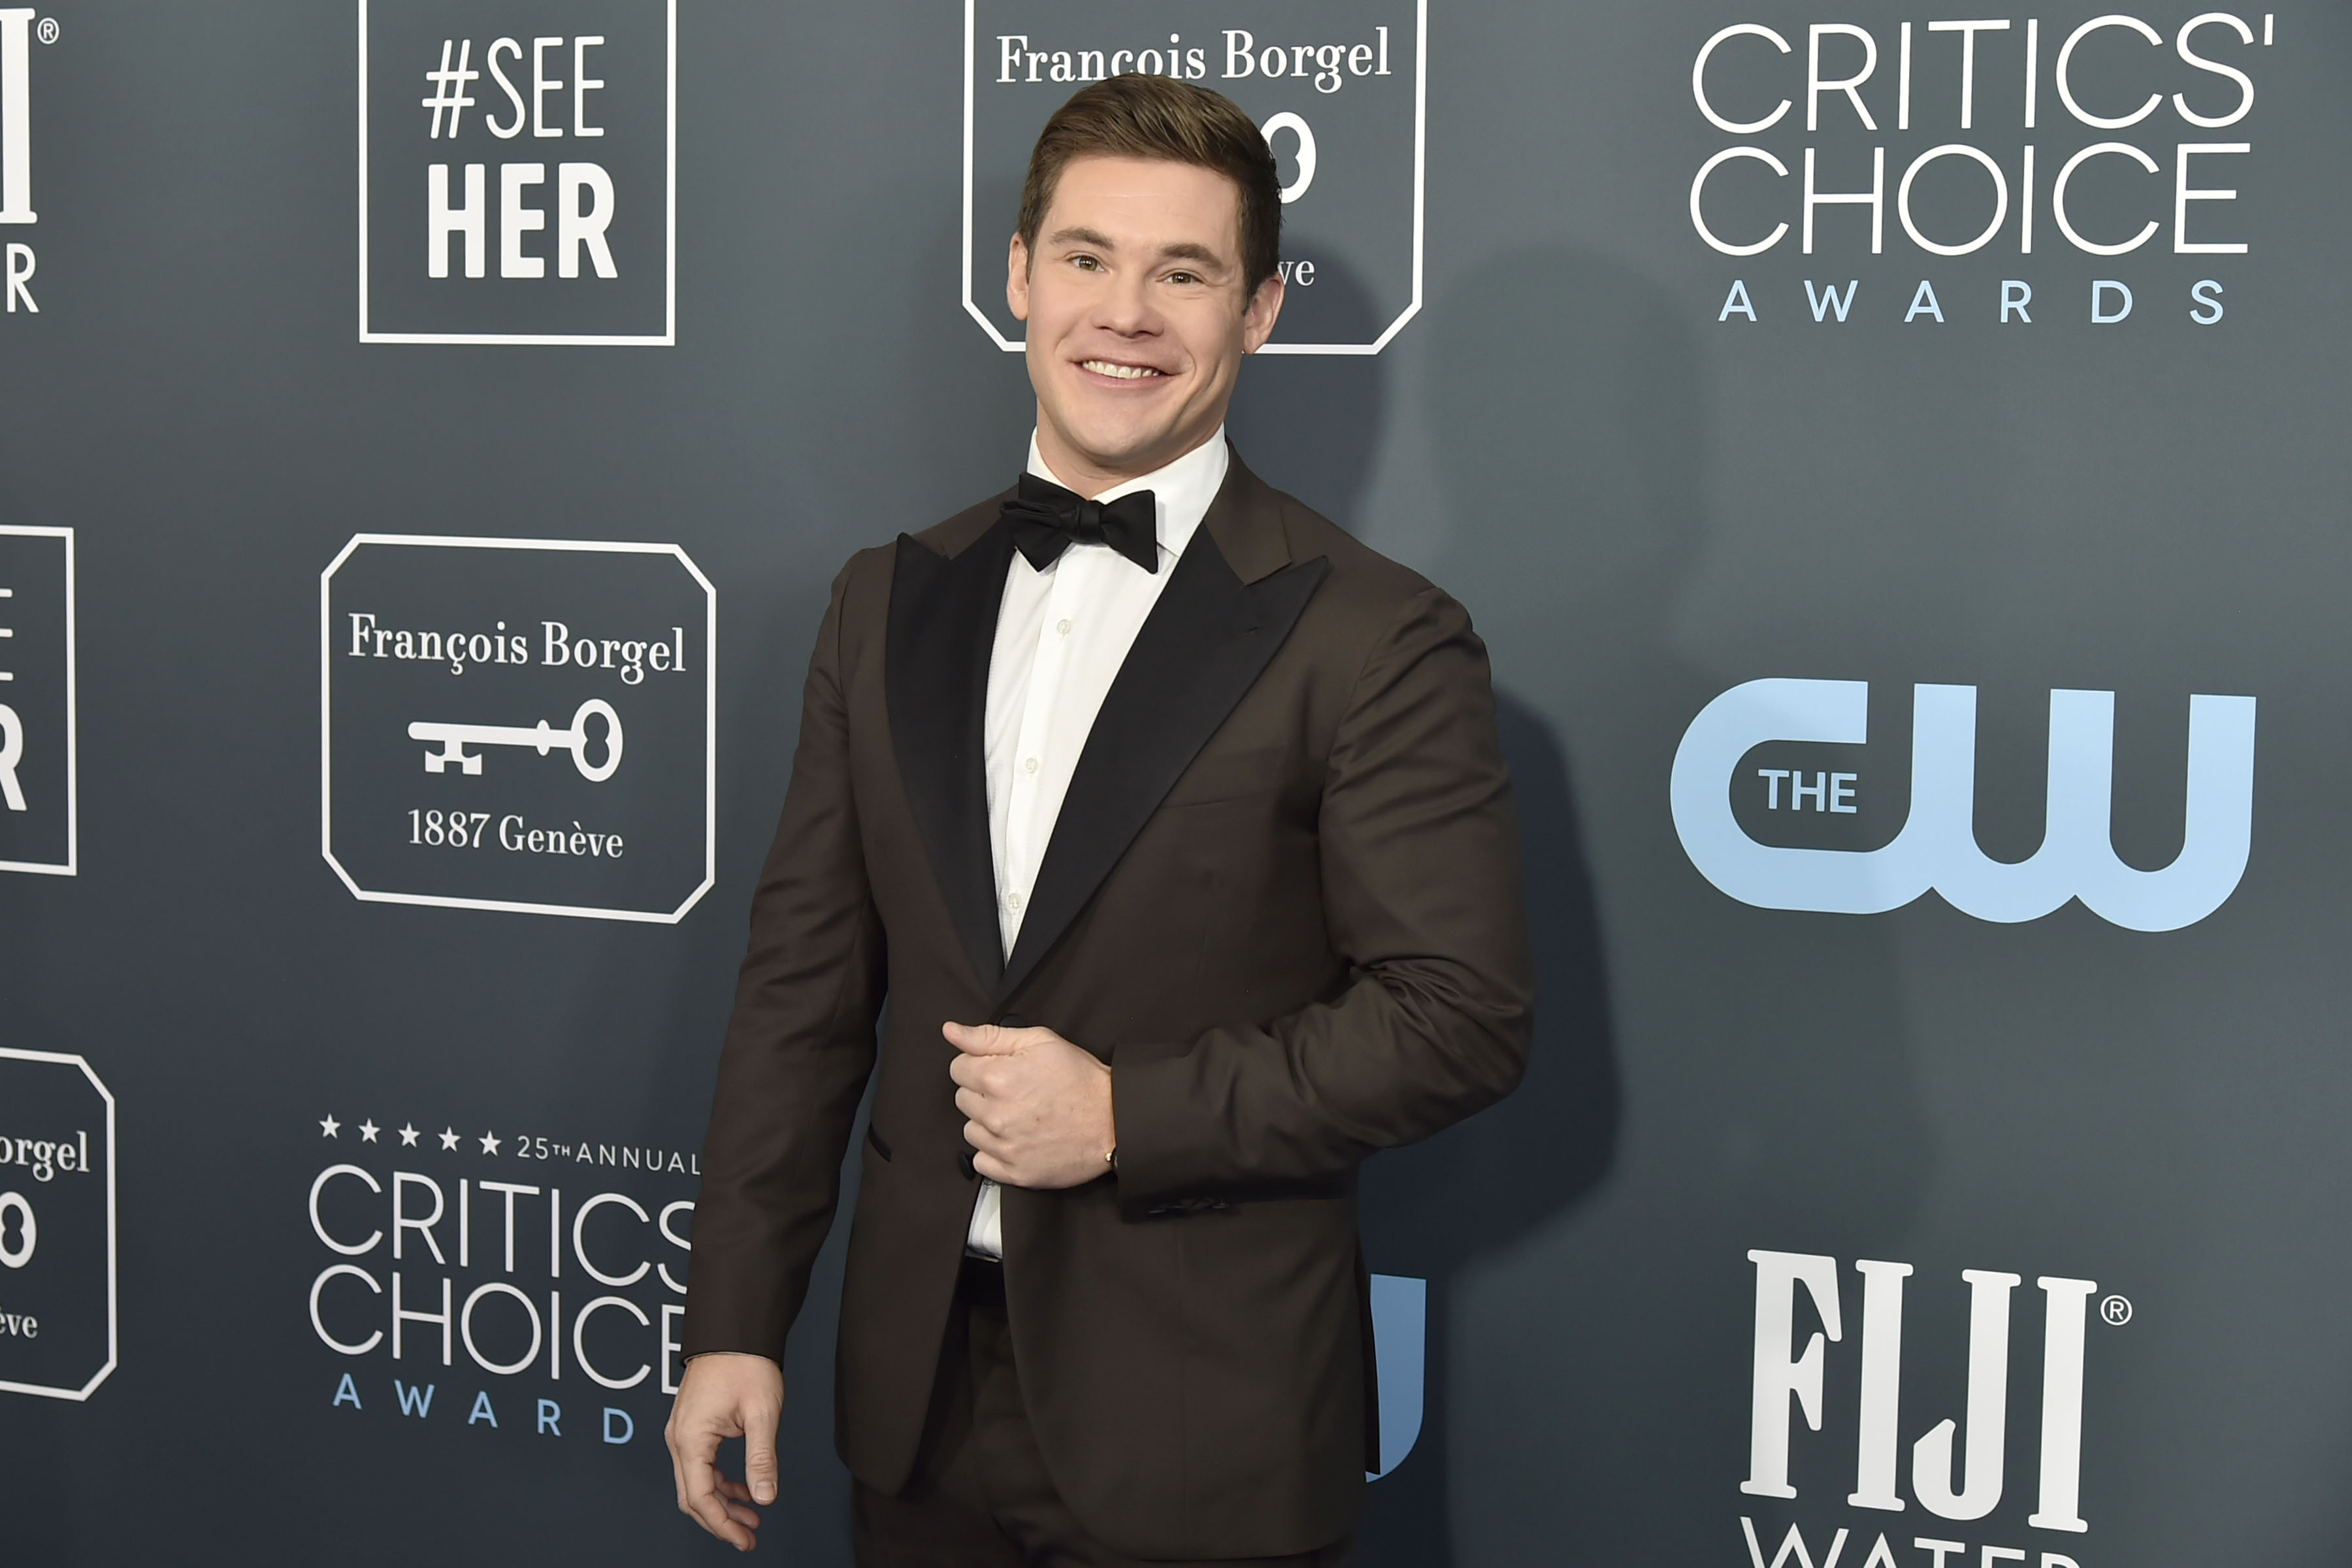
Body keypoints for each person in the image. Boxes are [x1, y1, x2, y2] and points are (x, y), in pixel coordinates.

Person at [666, 73, 1533, 1567]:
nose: (1124, 313)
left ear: (1257, 311)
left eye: (1182, 272)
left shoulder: (1379, 637)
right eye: (1085, 258)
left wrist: (1129, 1116)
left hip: (1205, 1432)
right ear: (1017, 276)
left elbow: (1459, 1018)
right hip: (913, 1407)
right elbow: (802, 999)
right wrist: (737, 1319)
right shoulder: (884, 603)